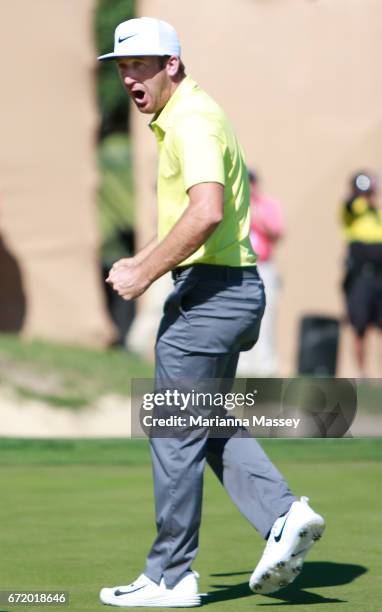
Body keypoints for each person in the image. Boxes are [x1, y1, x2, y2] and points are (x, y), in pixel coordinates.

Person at [98, 17, 325, 607]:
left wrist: (144, 274)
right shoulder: (185, 114)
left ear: (172, 63)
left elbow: (205, 213)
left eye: (139, 65)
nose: (128, 77)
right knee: (206, 419)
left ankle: (171, 577)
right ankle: (284, 513)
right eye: (122, 66)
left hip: (212, 296)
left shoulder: (192, 121)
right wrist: (142, 259)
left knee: (173, 428)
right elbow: (187, 222)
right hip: (229, 291)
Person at [237, 170, 284, 376]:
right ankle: (242, 364)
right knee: (240, 316)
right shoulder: (234, 205)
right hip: (240, 267)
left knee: (266, 317)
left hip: (263, 266)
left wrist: (257, 214)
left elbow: (277, 232)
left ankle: (266, 364)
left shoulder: (267, 205)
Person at [341, 170, 382, 376]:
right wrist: (362, 194)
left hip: (379, 277)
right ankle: (363, 375)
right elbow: (350, 205)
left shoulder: (376, 213)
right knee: (360, 326)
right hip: (360, 278)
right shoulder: (353, 209)